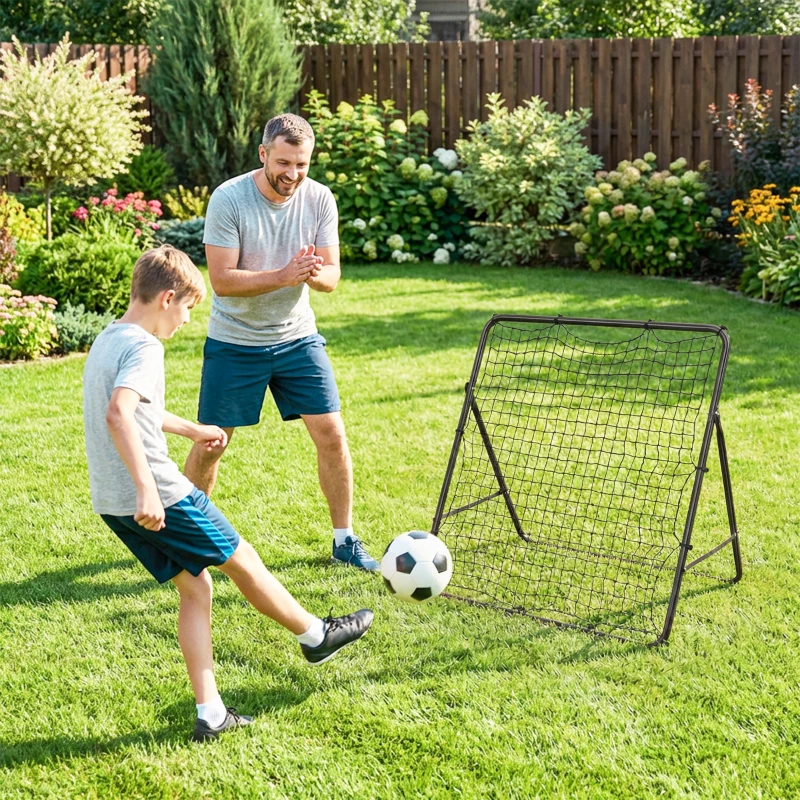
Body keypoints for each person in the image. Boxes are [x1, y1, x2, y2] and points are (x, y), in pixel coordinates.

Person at [83, 245, 373, 742]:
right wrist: (150, 490)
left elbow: (140, 413)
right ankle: (315, 636)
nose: (187, 320)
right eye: (188, 309)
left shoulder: (108, 339)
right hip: (161, 497)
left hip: (113, 503)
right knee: (243, 560)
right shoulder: (145, 348)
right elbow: (118, 413)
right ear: (167, 297)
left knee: (197, 588)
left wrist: (193, 430)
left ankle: (211, 713)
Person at [183, 113, 380, 573]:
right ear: (263, 154)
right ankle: (188, 538)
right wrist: (283, 275)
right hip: (235, 340)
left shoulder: (319, 199)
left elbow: (332, 276)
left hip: (297, 338)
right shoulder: (229, 198)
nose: (293, 174)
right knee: (212, 442)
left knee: (331, 434)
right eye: (285, 162)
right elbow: (222, 281)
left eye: (303, 164)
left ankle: (344, 540)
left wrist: (315, 275)